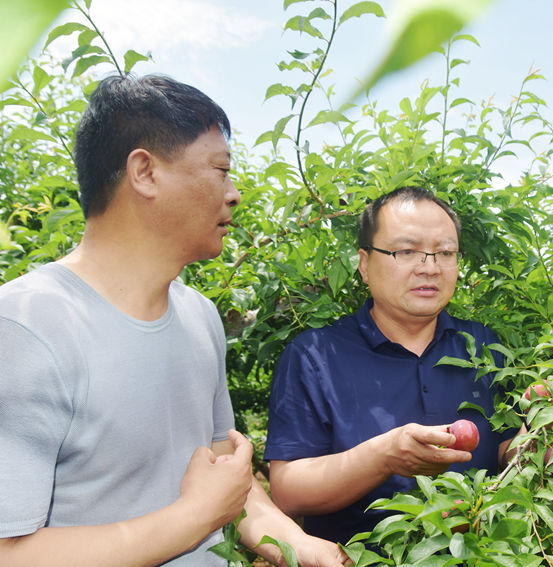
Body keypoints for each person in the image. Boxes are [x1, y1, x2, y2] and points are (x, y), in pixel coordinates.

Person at [0, 74, 346, 567]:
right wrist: (193, 517)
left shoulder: (198, 315)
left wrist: (304, 547)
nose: (234, 194)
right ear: (144, 172)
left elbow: (226, 481)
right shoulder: (25, 327)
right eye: (220, 170)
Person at [265, 187, 515, 544]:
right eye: (407, 251)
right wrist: (383, 457)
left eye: (445, 252)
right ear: (364, 264)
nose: (429, 267)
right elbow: (289, 492)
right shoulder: (315, 357)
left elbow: (507, 449)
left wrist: (545, 438)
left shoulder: (485, 347)